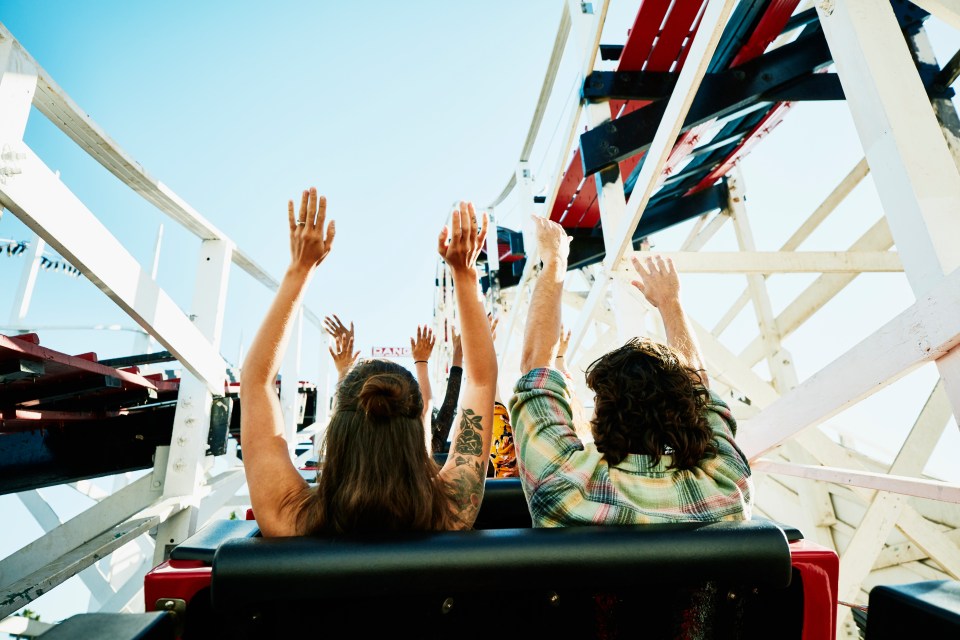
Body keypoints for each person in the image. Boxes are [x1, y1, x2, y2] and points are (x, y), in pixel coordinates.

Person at [240, 191, 498, 535]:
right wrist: (464, 273)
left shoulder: (289, 518)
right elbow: (481, 381)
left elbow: (256, 382)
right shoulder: (451, 511)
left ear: (338, 428)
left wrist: (300, 269)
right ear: (414, 434)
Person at [509, 216, 752, 527]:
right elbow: (698, 387)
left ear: (600, 418)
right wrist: (670, 302)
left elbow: (534, 364)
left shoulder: (564, 486)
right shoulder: (727, 490)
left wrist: (554, 260)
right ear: (687, 411)